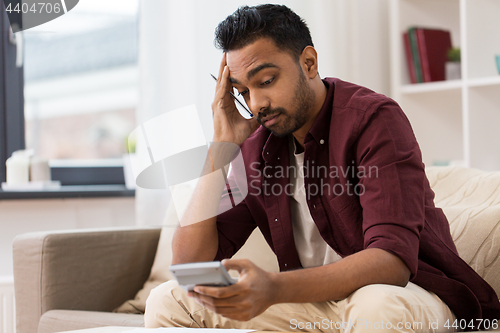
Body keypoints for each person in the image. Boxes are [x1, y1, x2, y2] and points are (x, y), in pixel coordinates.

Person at [145, 4, 500, 332]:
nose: (256, 105)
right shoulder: (255, 145)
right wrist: (220, 149)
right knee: (169, 300)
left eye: (266, 81)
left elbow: (391, 262)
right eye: (242, 91)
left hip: (408, 295)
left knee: (376, 307)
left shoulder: (373, 119)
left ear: (309, 63)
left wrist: (275, 288)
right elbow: (188, 264)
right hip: (314, 306)